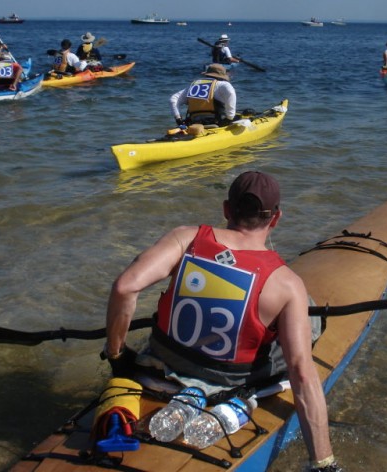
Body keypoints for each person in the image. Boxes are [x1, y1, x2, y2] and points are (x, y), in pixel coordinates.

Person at [103, 171, 342, 472]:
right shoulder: (286, 283)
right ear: (276, 218)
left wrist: (117, 355)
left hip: (164, 360)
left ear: (227, 209)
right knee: (310, 318)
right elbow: (302, 375)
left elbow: (125, 287)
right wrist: (323, 461)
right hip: (229, 380)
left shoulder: (185, 237)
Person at [170, 63, 236, 127]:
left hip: (193, 124)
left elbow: (173, 99)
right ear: (222, 76)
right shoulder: (223, 84)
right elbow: (231, 94)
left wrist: (178, 119)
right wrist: (229, 118)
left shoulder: (194, 85)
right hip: (215, 123)